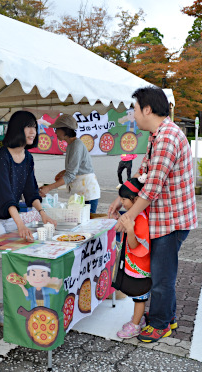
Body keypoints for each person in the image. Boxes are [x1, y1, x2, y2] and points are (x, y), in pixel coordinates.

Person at [108, 86, 198, 343]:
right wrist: (121, 196)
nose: (133, 115)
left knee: (161, 277)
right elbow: (143, 173)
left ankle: (160, 324)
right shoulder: (157, 135)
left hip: (171, 222)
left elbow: (151, 189)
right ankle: (167, 316)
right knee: (162, 274)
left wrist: (129, 217)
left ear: (147, 109)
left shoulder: (167, 138)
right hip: (164, 219)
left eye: (135, 109)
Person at [0, 110, 56, 326]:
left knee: (19, 257)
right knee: (6, 259)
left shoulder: (28, 157)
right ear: (16, 129)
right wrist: (20, 224)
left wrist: (43, 213)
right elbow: (5, 197)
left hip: (10, 215)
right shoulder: (0, 158)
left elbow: (31, 191)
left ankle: (4, 300)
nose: (33, 131)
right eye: (28, 126)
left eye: (35, 127)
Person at [113, 178, 151, 339]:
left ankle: (136, 324)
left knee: (139, 295)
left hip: (140, 266)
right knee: (138, 296)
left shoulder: (140, 219)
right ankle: (137, 319)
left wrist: (129, 230)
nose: (121, 203)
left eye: (123, 200)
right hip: (135, 264)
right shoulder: (137, 215)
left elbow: (135, 245)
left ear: (135, 200)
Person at [39, 114, 101, 213]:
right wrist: (64, 172)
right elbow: (76, 167)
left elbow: (71, 175)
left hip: (88, 192)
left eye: (57, 129)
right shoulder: (71, 145)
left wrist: (49, 187)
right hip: (81, 192)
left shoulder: (76, 145)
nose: (55, 132)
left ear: (65, 130)